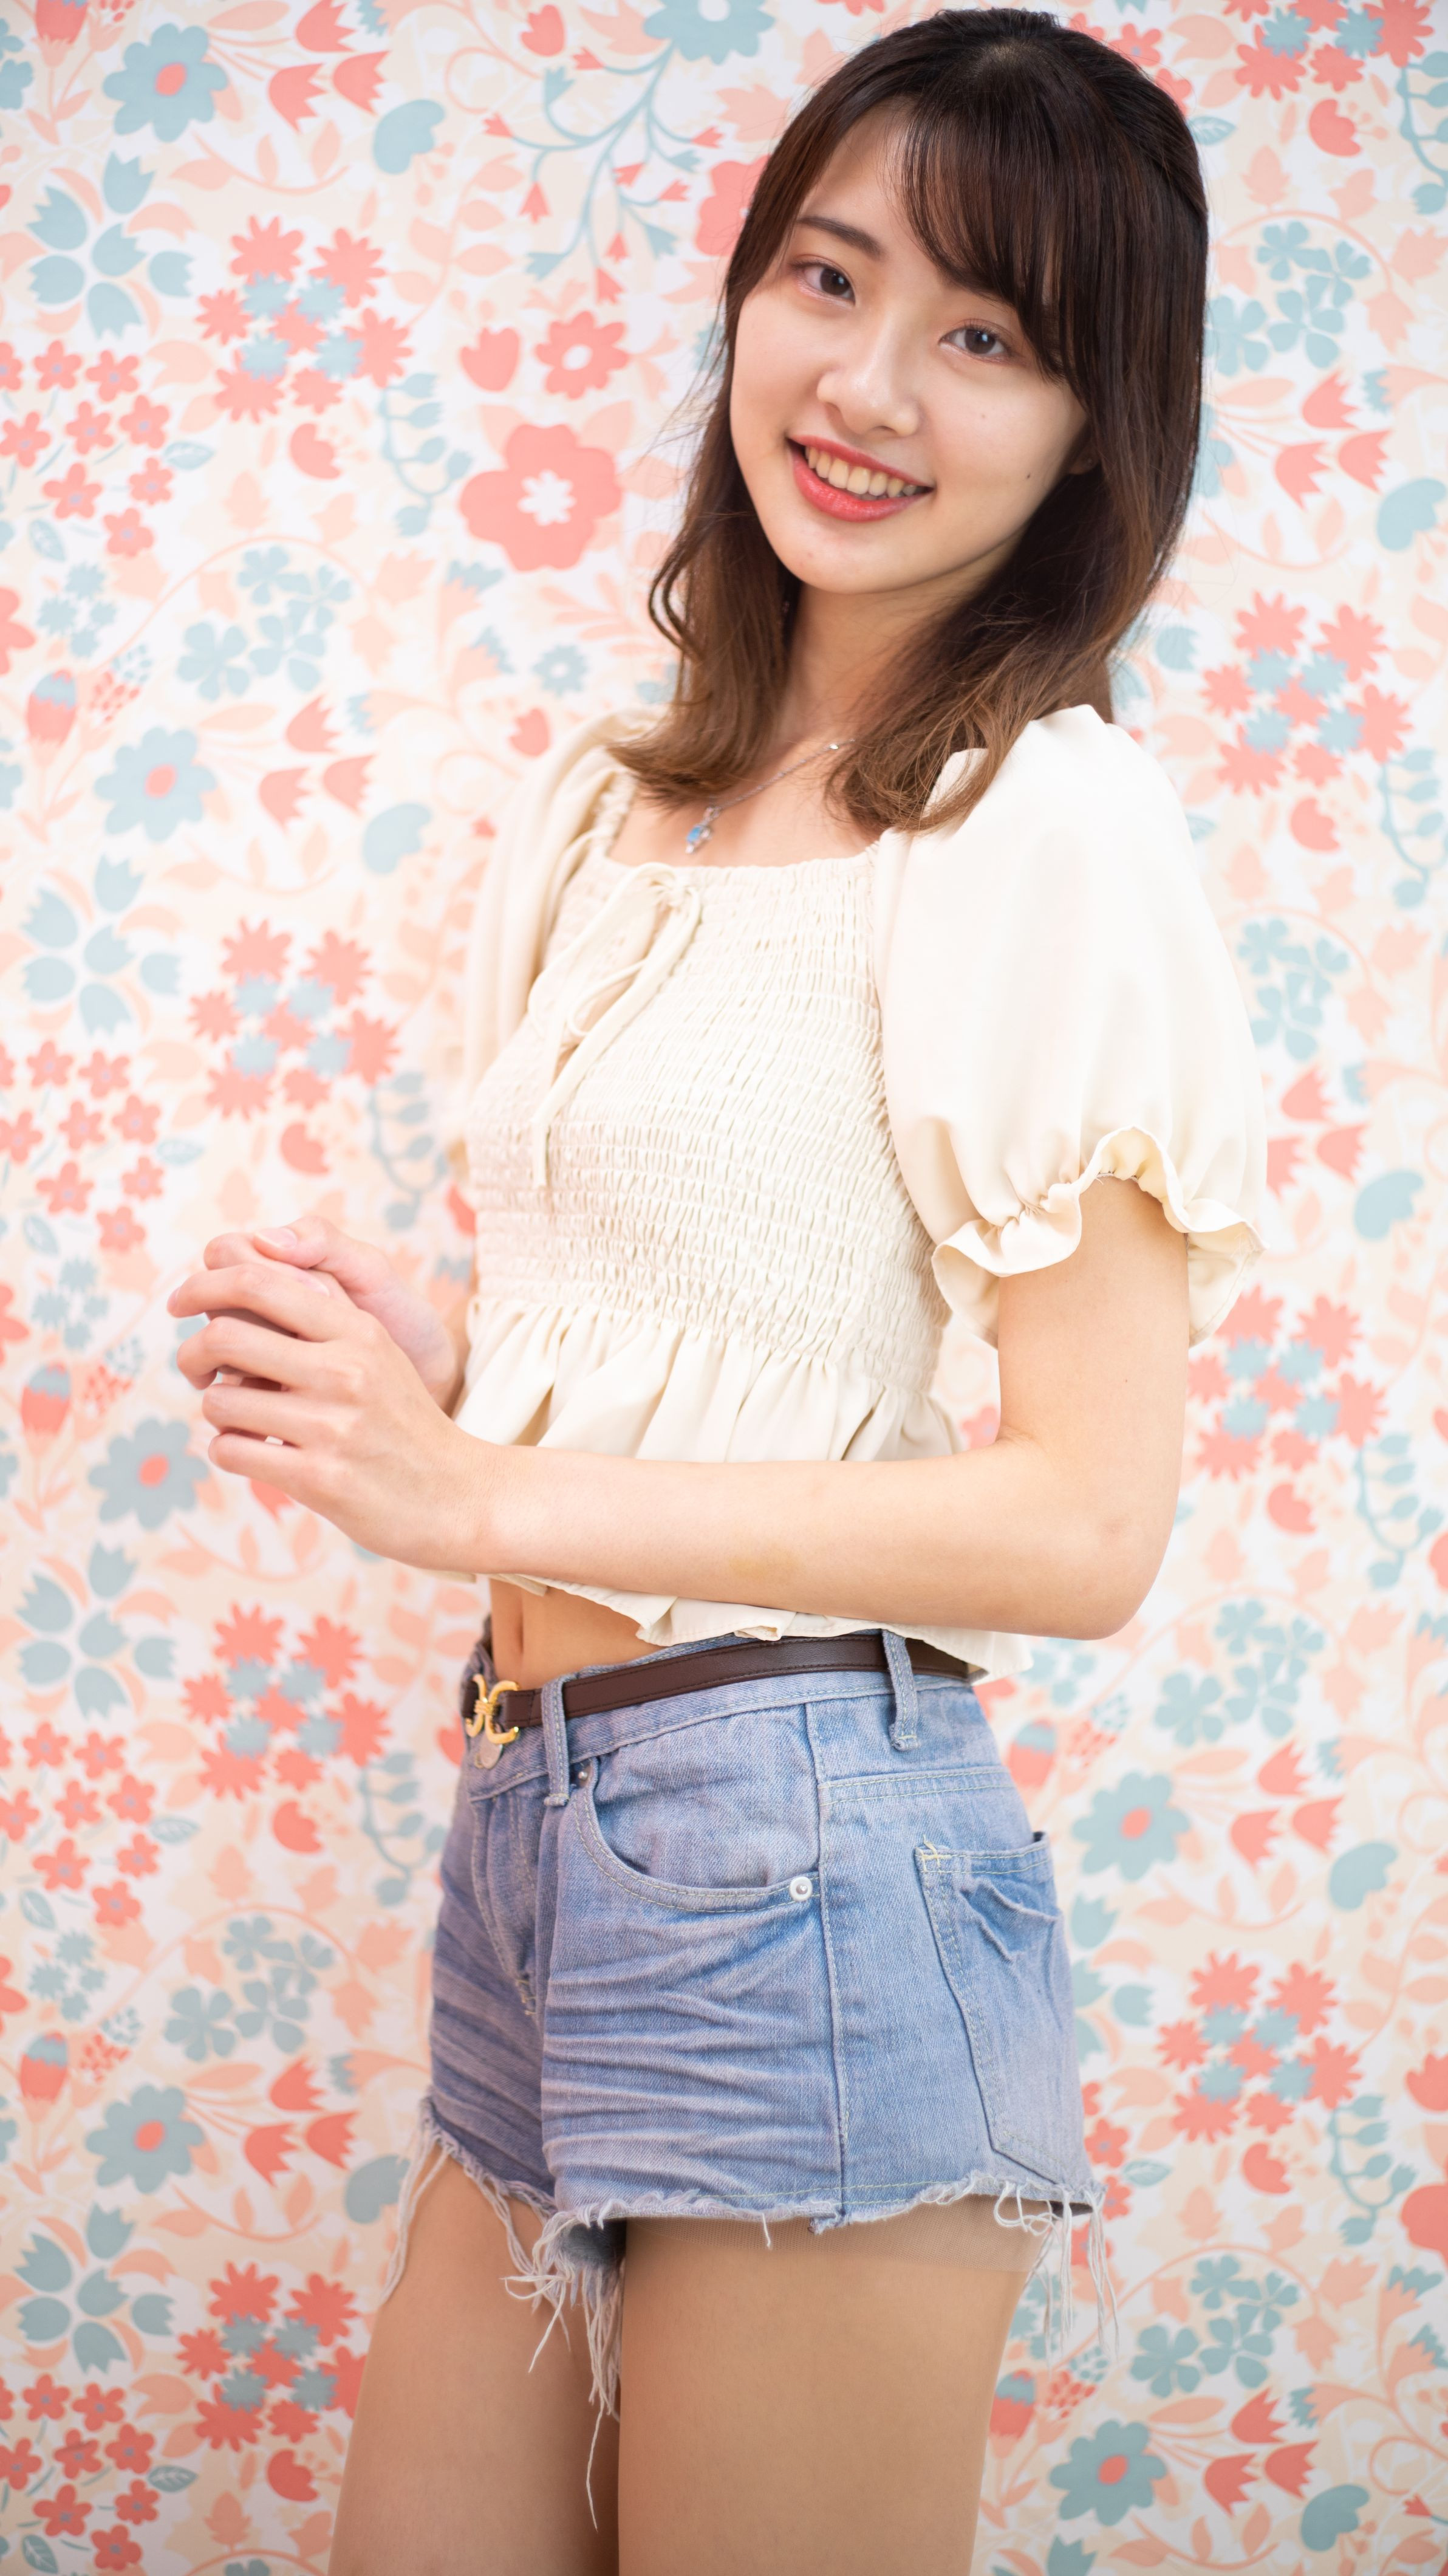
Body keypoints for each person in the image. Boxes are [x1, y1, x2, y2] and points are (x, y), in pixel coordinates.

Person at [167, 12, 1267, 2570]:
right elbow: (741, 1365)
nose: (866, 385)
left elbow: (1085, 1527)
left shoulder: (1047, 821)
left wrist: (479, 1486)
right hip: (535, 1835)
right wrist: (431, 1380)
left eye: (984, 334)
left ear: (1090, 430)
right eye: (827, 276)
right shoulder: (610, 804)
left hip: (810, 1865)